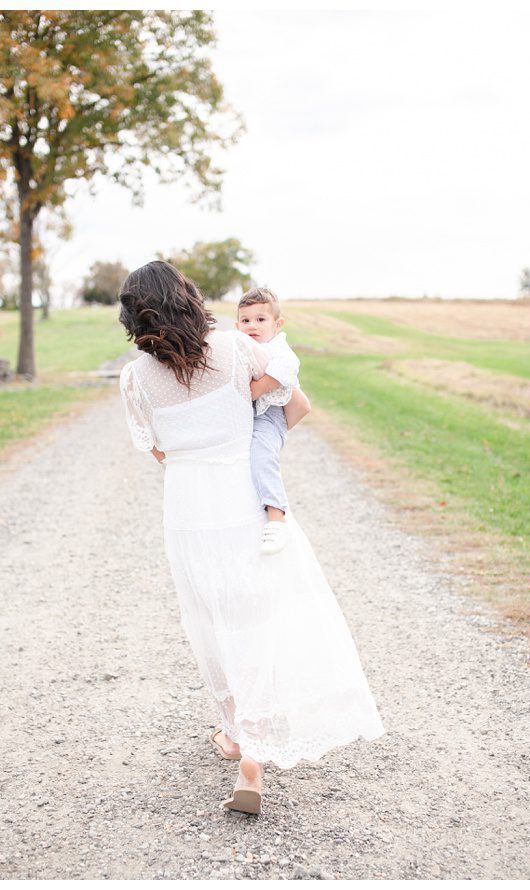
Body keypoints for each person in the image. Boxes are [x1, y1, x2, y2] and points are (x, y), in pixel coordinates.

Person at [118, 261, 385, 815]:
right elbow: (290, 398)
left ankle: (239, 735)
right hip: (242, 500)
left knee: (210, 621)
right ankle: (250, 758)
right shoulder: (236, 349)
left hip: (187, 510)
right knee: (254, 620)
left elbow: (159, 451)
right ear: (189, 299)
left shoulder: (133, 378)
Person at [235, 287, 301, 555]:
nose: (252, 326)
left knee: (262, 455)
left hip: (269, 413)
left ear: (277, 324)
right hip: (246, 415)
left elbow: (290, 365)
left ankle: (276, 517)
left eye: (260, 320)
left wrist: (261, 386)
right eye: (246, 320)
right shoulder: (240, 346)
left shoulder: (276, 346)